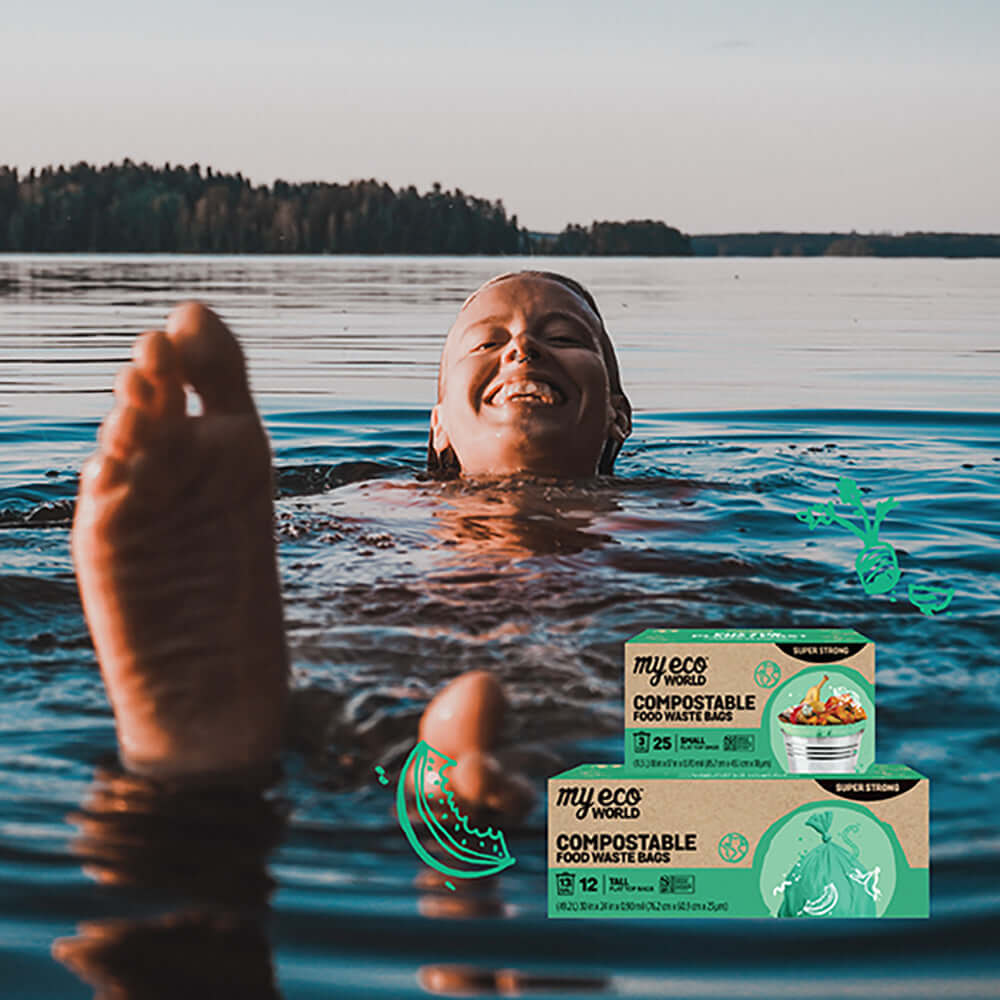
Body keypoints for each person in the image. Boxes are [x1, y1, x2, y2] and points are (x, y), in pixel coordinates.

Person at [71, 271, 632, 806]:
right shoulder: (375, 501)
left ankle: (210, 765)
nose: (522, 351)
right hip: (395, 634)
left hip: (550, 651)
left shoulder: (674, 510)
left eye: (561, 337)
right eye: (486, 344)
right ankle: (219, 715)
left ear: (618, 417)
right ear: (438, 426)